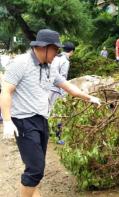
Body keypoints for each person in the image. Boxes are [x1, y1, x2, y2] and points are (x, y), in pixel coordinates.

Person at [0, 29, 101, 197]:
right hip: (24, 121)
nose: (57, 54)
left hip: (41, 120)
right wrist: (8, 121)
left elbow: (67, 86)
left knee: (37, 166)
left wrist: (89, 98)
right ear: (45, 47)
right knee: (35, 169)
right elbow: (6, 91)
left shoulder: (49, 67)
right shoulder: (21, 63)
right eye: (55, 50)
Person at [49, 41, 75, 110]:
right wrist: (64, 96)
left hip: (47, 87)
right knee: (54, 112)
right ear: (72, 51)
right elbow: (62, 79)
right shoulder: (65, 61)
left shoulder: (56, 57)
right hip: (54, 90)